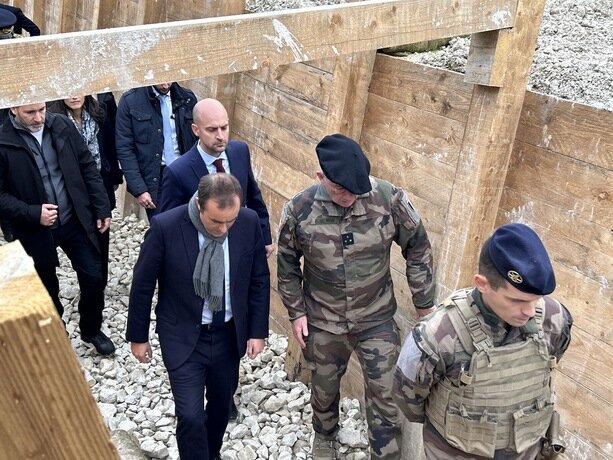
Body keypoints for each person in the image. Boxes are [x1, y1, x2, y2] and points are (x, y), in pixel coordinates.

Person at [277, 133, 436, 460]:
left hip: (376, 318)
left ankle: (384, 452)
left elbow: (418, 247)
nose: (350, 196)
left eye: (356, 189)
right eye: (340, 189)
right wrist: (296, 312)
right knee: (323, 390)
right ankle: (324, 437)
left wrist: (425, 305)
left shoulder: (387, 198)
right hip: (323, 320)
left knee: (385, 395)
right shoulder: (299, 210)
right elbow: (287, 263)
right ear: (320, 176)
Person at [392, 223, 573, 460]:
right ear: (482, 284)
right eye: (517, 300)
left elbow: (552, 359)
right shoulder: (437, 334)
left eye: (536, 299)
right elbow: (407, 397)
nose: (530, 311)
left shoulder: (555, 318)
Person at [126, 173, 270, 460]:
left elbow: (259, 279)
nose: (224, 228)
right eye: (216, 221)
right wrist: (138, 337)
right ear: (199, 205)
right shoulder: (166, 226)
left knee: (220, 408)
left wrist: (257, 331)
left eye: (230, 220)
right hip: (183, 335)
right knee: (190, 415)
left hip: (228, 335)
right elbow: (143, 285)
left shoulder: (249, 222)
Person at [0, 103, 115, 355]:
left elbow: (87, 166)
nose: (39, 117)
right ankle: (56, 332)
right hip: (34, 230)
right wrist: (33, 213)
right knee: (45, 285)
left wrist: (101, 207)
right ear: (13, 110)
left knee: (94, 277)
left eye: (41, 110)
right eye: (30, 113)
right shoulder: (3, 141)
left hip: (74, 219)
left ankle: (91, 329)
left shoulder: (61, 125)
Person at [158, 98, 273, 257]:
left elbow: (254, 198)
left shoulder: (240, 151)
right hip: (201, 254)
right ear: (196, 129)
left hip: (240, 248)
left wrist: (264, 237)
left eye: (224, 128)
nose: (220, 136)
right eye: (212, 130)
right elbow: (167, 224)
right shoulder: (177, 172)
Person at [46, 94, 123, 284]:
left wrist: (114, 176)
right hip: (73, 186)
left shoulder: (98, 113)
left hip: (100, 180)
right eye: (69, 92)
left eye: (78, 90)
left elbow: (110, 147)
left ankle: (100, 281)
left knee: (102, 232)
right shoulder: (54, 121)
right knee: (82, 232)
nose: (74, 96)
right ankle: (87, 277)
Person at [115, 82, 197, 217]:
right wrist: (139, 189)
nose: (165, 85)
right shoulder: (130, 101)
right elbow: (124, 149)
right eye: (161, 82)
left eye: (169, 80)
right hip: (156, 177)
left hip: (184, 172)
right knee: (161, 226)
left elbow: (196, 140)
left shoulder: (187, 98)